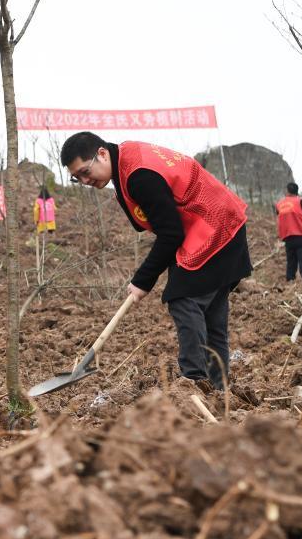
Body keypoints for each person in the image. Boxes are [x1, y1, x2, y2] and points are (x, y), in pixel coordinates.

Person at [61, 132, 251, 390]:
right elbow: (165, 225)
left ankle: (193, 383)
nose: (84, 180)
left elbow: (171, 233)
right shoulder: (126, 159)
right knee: (211, 311)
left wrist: (143, 280)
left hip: (214, 228)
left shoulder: (139, 175)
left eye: (85, 171)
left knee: (184, 299)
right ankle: (219, 389)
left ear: (102, 154)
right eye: (77, 178)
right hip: (222, 224)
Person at [275, 182, 302, 281]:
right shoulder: (300, 202)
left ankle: (290, 280)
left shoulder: (279, 204)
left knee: (291, 261)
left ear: (287, 191)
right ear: (297, 191)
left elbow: (277, 213)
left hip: (288, 237)